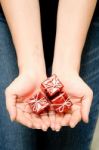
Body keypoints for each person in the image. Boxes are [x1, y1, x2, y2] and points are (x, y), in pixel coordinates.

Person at [0, 0, 99, 150]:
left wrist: (67, 66)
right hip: (11, 13)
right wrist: (30, 66)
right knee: (15, 143)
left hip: (85, 16)